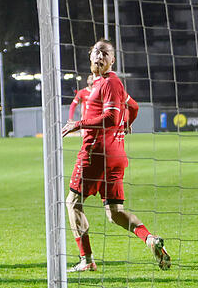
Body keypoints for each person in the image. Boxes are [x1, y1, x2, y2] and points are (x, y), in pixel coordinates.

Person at [61, 39, 171, 272]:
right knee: (114, 213)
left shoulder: (110, 82)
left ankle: (86, 260)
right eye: (96, 52)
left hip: (95, 153)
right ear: (90, 56)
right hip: (115, 154)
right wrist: (128, 123)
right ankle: (150, 240)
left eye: (105, 53)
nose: (100, 56)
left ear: (113, 60)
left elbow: (111, 118)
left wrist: (78, 124)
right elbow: (134, 107)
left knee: (73, 203)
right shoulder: (105, 84)